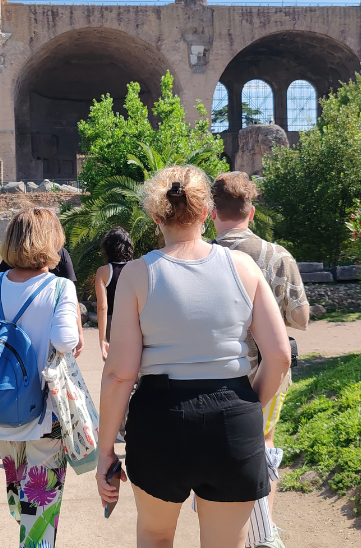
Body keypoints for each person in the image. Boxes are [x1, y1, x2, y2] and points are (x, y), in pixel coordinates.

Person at [95, 165, 292, 548]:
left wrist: (106, 451)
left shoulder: (137, 274)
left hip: (160, 420)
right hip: (233, 419)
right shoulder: (243, 267)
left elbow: (120, 374)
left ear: (155, 217)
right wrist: (248, 404)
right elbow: (280, 355)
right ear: (207, 213)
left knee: (154, 535)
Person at [210, 171, 310, 548]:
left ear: (212, 214)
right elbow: (301, 317)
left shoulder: (204, 257)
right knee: (264, 441)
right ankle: (264, 529)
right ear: (251, 212)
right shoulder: (277, 256)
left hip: (218, 375)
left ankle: (228, 527)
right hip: (269, 370)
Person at [0, 208, 80, 548]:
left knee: (22, 501)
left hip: (2, 411)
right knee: (39, 511)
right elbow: (66, 340)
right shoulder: (59, 287)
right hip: (45, 414)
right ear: (52, 242)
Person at [0, 245, 85, 357]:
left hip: (12, 336)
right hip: (47, 338)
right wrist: (79, 333)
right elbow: (70, 296)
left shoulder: (14, 252)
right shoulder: (60, 253)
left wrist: (79, 332)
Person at [93, 226, 134, 361]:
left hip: (113, 324)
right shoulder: (138, 268)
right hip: (135, 323)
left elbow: (102, 307)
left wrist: (102, 338)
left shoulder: (103, 271)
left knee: (115, 370)